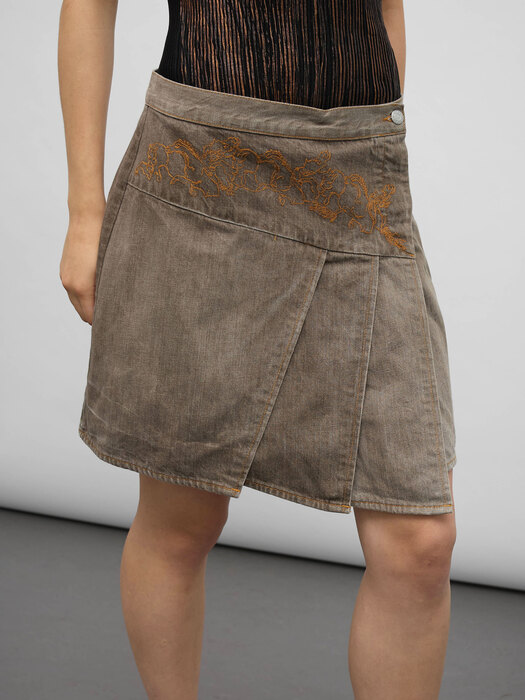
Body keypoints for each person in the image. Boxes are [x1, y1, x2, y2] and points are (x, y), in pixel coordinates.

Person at [58, 1, 457, 698]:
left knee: (421, 545)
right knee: (183, 521)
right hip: (199, 171)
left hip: (354, 181)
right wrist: (85, 213)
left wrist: (368, 138)